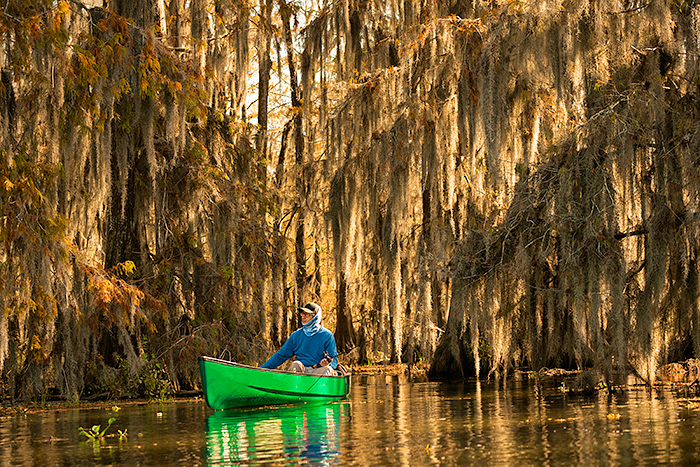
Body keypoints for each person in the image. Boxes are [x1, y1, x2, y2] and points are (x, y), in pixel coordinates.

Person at [261, 302, 339, 376]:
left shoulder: (327, 335)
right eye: (302, 314)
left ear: (315, 316)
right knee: (295, 364)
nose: (303, 316)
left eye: (307, 314)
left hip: (318, 372)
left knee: (328, 369)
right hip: (301, 372)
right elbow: (281, 355)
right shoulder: (296, 335)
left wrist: (328, 363)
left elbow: (334, 361)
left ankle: (319, 389)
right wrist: (262, 369)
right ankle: (293, 389)